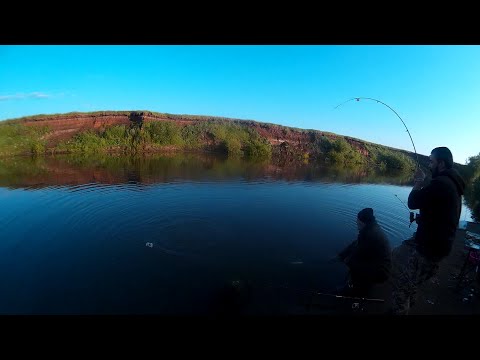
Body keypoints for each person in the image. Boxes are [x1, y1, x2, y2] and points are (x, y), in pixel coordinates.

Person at [390, 146, 466, 315]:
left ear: (441, 163)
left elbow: (412, 202)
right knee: (414, 281)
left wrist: (417, 182)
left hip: (429, 248)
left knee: (403, 286)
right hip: (440, 246)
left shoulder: (441, 183)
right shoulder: (453, 183)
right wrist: (424, 219)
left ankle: (400, 310)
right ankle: (410, 303)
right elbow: (442, 213)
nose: (429, 164)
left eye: (431, 161)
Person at [337, 208, 392, 298]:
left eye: (357, 222)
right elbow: (355, 244)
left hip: (382, 272)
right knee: (353, 260)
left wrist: (345, 260)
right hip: (380, 266)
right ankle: (359, 284)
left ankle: (355, 289)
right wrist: (341, 255)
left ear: (362, 222)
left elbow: (356, 254)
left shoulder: (370, 235)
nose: (356, 224)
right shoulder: (372, 228)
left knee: (353, 263)